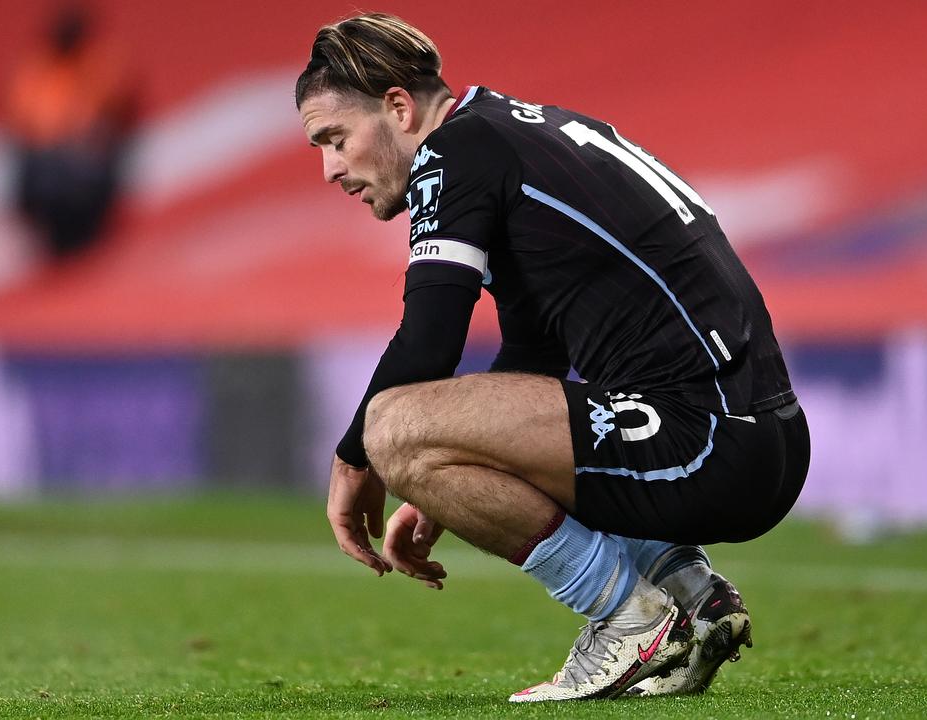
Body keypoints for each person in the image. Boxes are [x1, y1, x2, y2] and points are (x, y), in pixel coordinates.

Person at [297, 13, 809, 702]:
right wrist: (452, 478)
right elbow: (534, 351)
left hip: (706, 443)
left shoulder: (455, 153)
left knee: (391, 424)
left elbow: (428, 344)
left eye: (335, 139)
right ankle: (692, 594)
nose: (330, 169)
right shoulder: (521, 130)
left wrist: (358, 461)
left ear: (398, 106)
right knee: (415, 433)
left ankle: (629, 620)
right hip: (760, 437)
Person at [2, 4, 136, 260]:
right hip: (48, 165)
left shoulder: (103, 64)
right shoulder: (33, 71)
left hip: (88, 160)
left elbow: (125, 111)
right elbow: (16, 126)